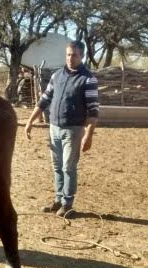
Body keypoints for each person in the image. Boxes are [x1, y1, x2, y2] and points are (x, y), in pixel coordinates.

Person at [24, 41, 99, 218]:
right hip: (54, 128)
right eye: (68, 54)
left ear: (82, 56)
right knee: (57, 166)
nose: (70, 58)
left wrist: (88, 135)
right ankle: (58, 199)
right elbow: (44, 100)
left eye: (74, 55)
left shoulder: (88, 79)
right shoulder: (57, 76)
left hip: (73, 130)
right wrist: (30, 121)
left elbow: (93, 110)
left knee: (68, 167)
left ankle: (67, 203)